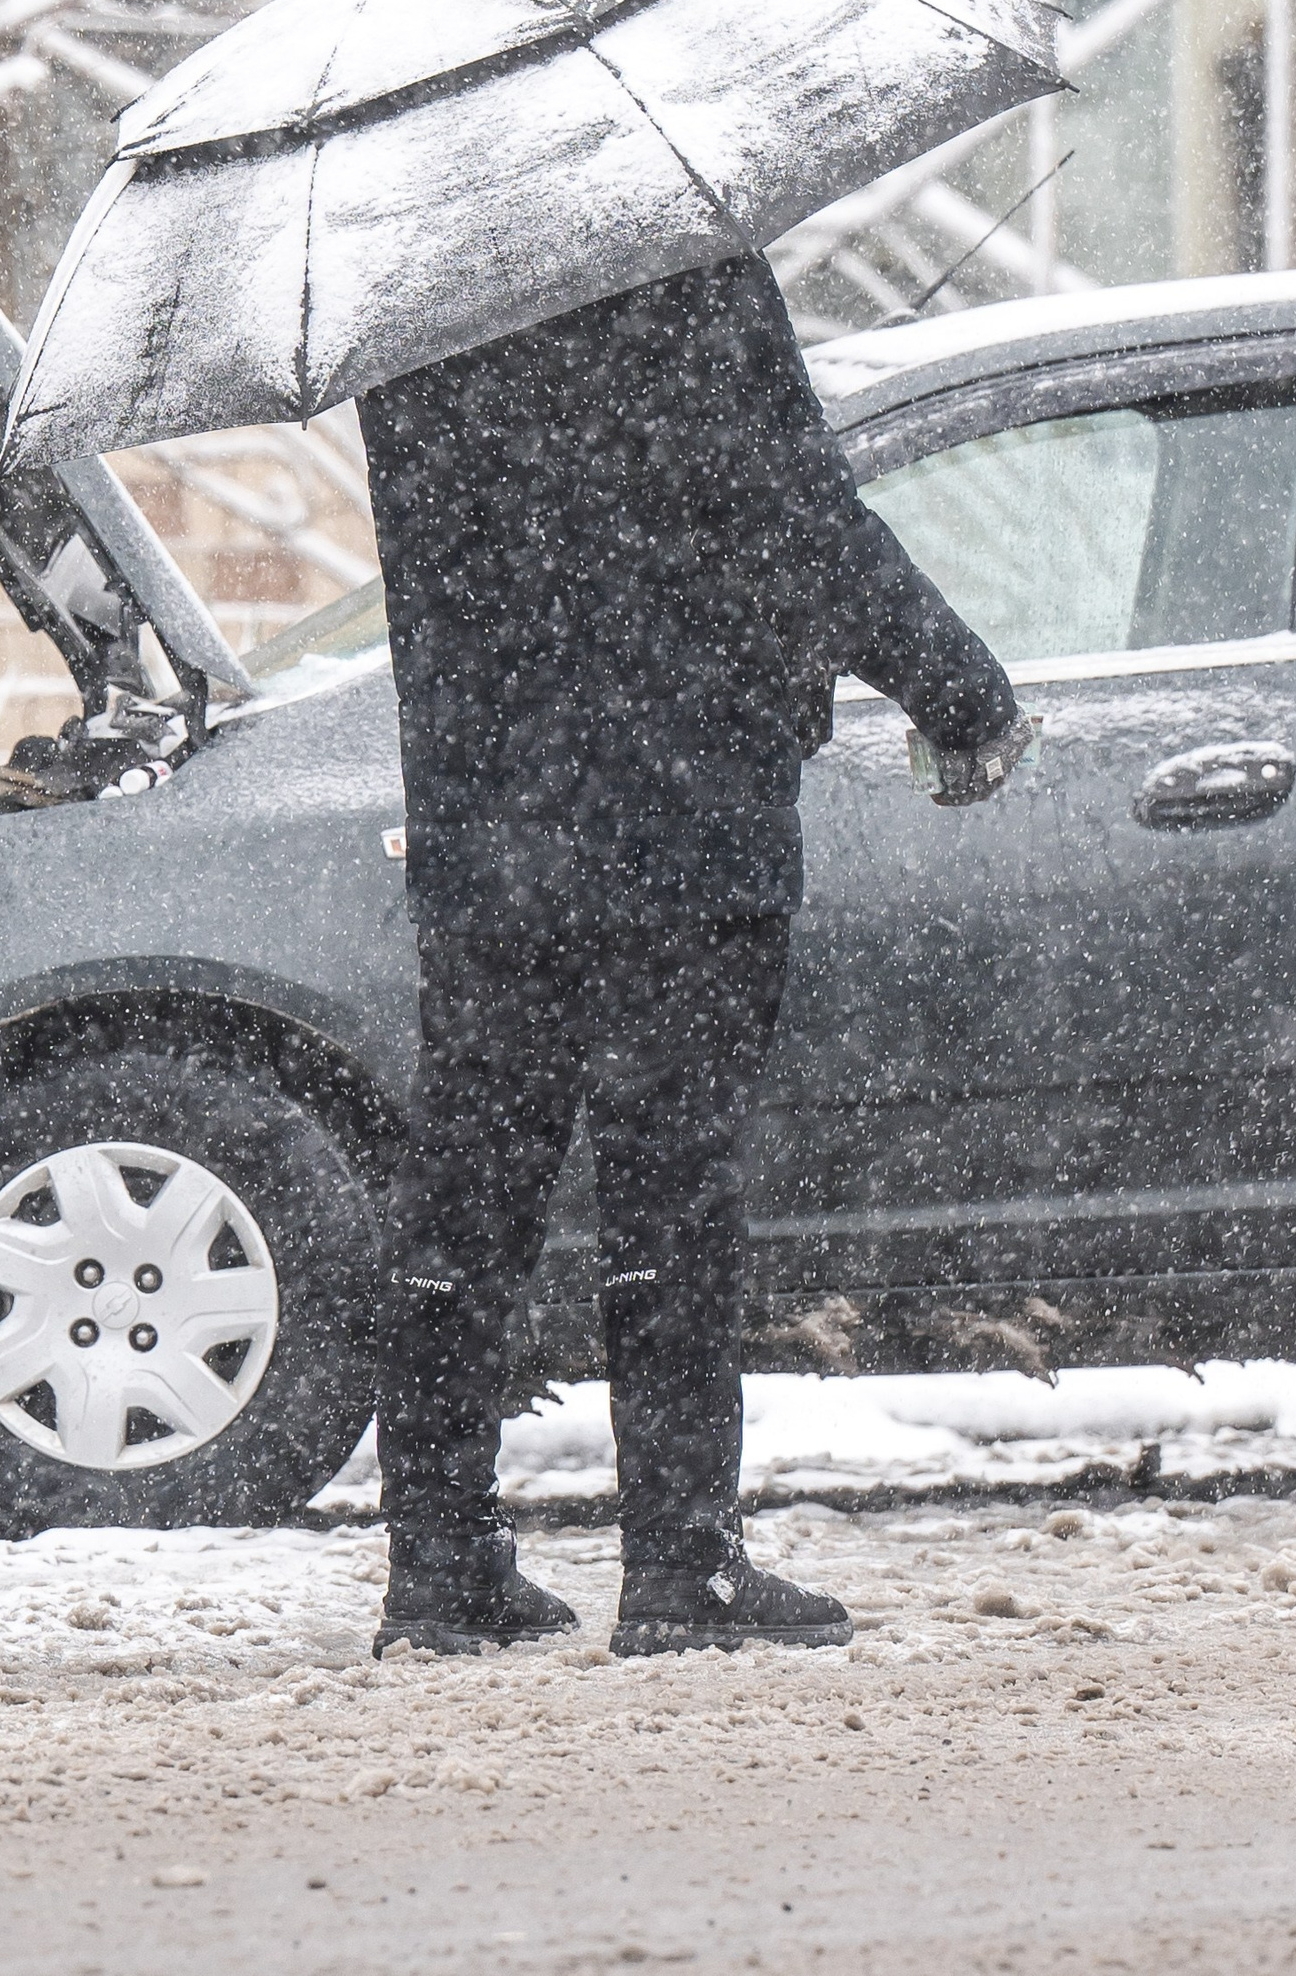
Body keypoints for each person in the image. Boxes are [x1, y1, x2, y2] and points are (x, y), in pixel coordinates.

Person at [359, 248, 1027, 1660]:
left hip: (492, 832)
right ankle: (680, 1559)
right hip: (681, 821)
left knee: (468, 1204)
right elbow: (802, 522)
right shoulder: (678, 258)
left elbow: (446, 567)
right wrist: (960, 693)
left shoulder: (414, 291)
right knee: (671, 1199)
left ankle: (438, 1562)